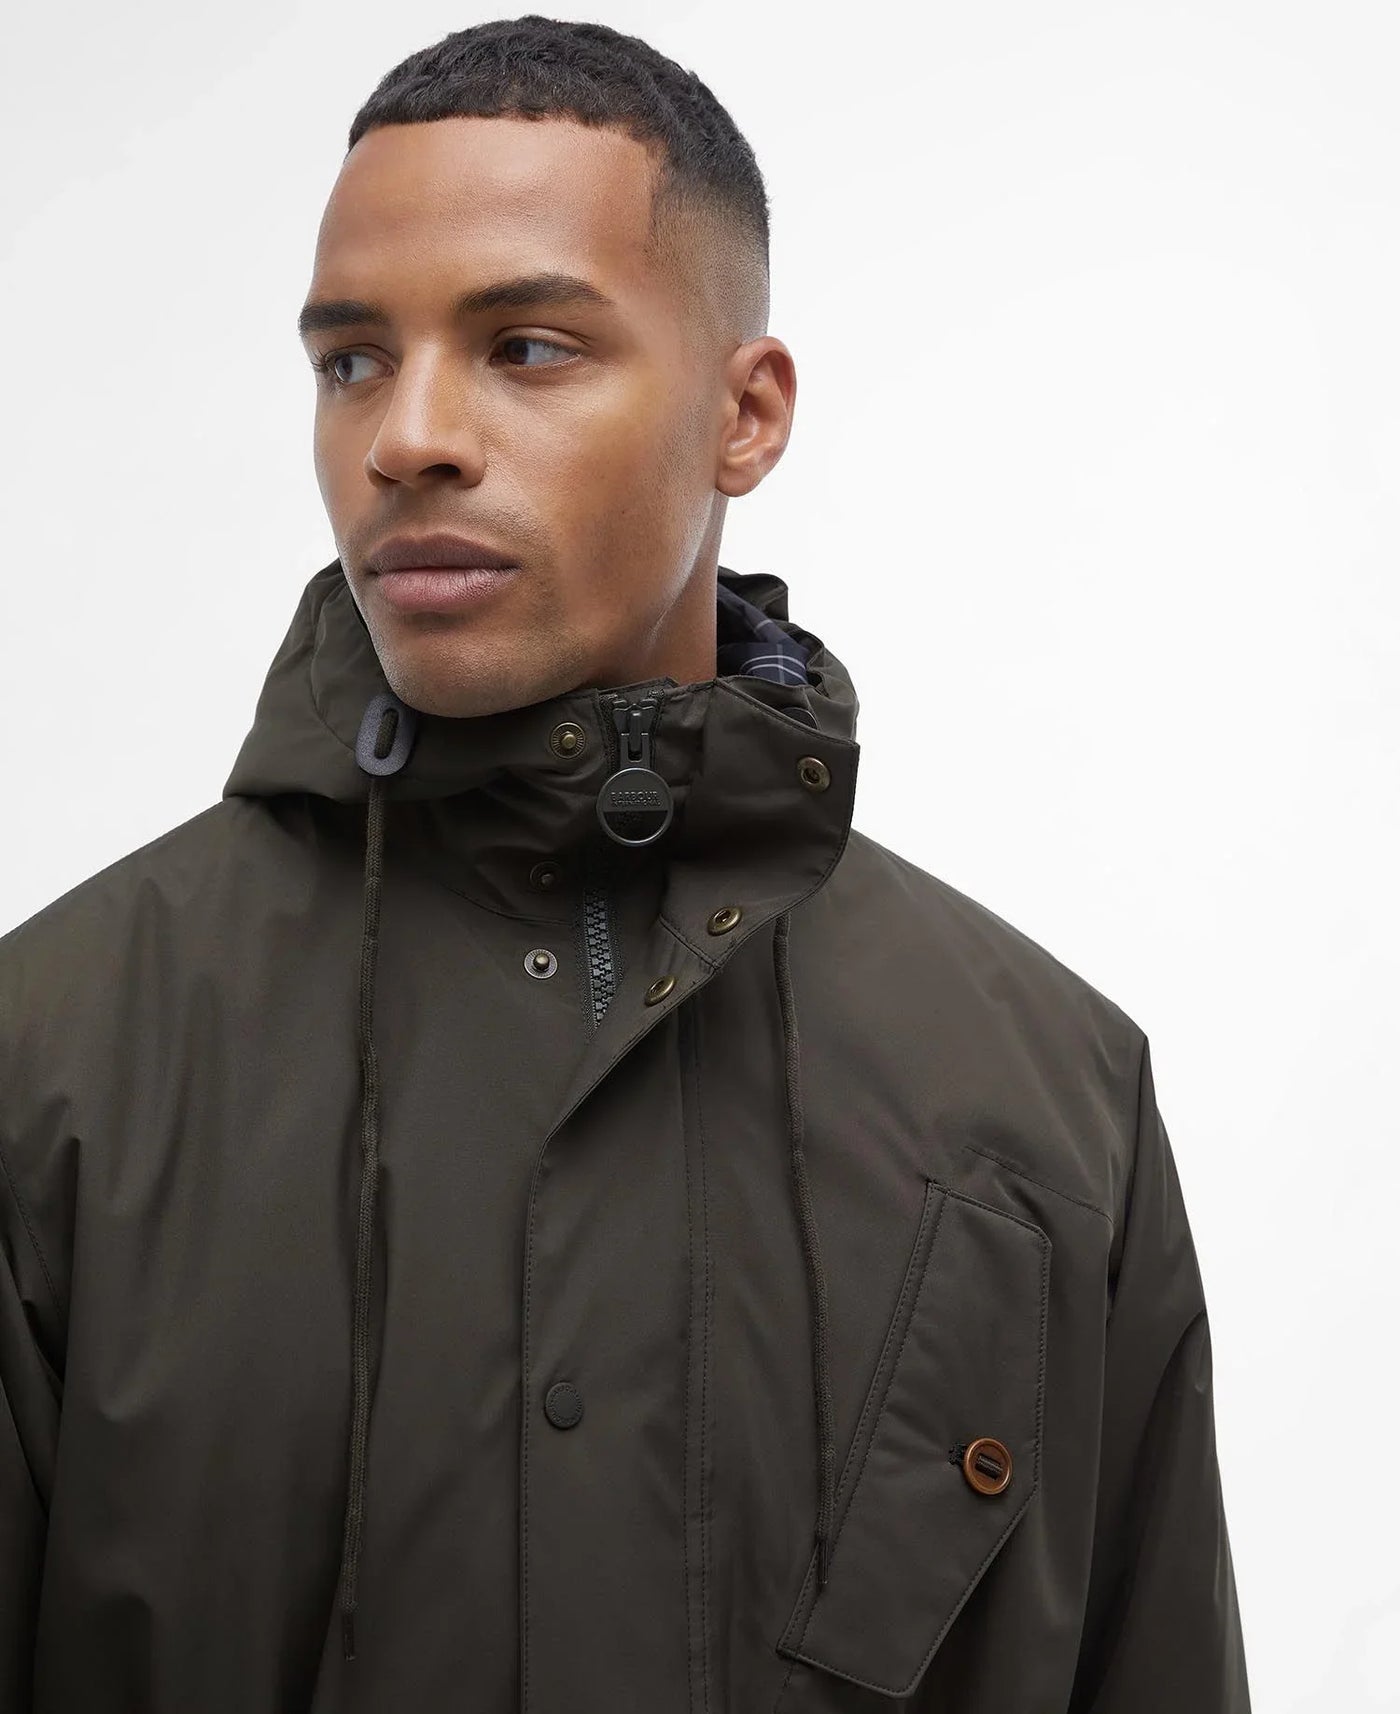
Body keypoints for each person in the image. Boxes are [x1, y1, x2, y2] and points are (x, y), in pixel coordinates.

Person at [0, 14, 1251, 1712]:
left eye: (524, 346)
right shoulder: (52, 1065)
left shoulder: (1050, 1098)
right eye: (351, 361)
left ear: (747, 414)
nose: (406, 436)